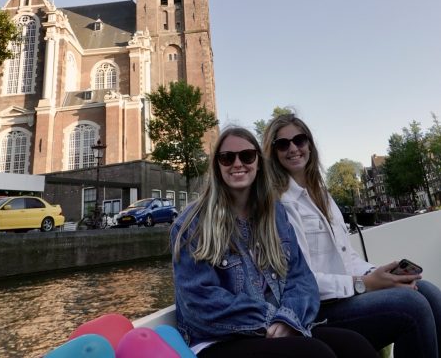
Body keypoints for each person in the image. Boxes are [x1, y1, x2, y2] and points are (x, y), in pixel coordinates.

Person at [171, 126, 378, 358]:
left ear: (258, 163)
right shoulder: (193, 223)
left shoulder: (275, 215)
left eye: (247, 156)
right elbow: (199, 302)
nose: (237, 163)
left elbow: (301, 279)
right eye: (227, 158)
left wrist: (288, 318)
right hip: (218, 341)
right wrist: (272, 320)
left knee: (355, 346)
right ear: (217, 167)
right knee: (315, 354)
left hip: (276, 327)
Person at [263, 112, 441, 358]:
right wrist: (364, 284)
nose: (293, 148)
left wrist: (380, 274)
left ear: (309, 144)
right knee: (413, 307)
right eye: (283, 144)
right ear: (273, 153)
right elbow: (299, 281)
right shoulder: (279, 203)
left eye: (299, 140)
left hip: (346, 294)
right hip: (318, 308)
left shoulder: (321, 194)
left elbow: (347, 257)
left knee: (427, 291)